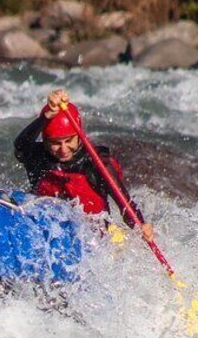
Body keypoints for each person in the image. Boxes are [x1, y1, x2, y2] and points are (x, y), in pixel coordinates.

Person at [14, 89, 154, 241]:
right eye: (55, 143)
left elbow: (124, 204)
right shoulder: (38, 157)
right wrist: (46, 117)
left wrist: (141, 225)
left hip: (96, 237)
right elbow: (20, 146)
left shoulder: (97, 164)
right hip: (47, 231)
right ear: (45, 141)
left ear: (79, 136)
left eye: (69, 141)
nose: (63, 149)